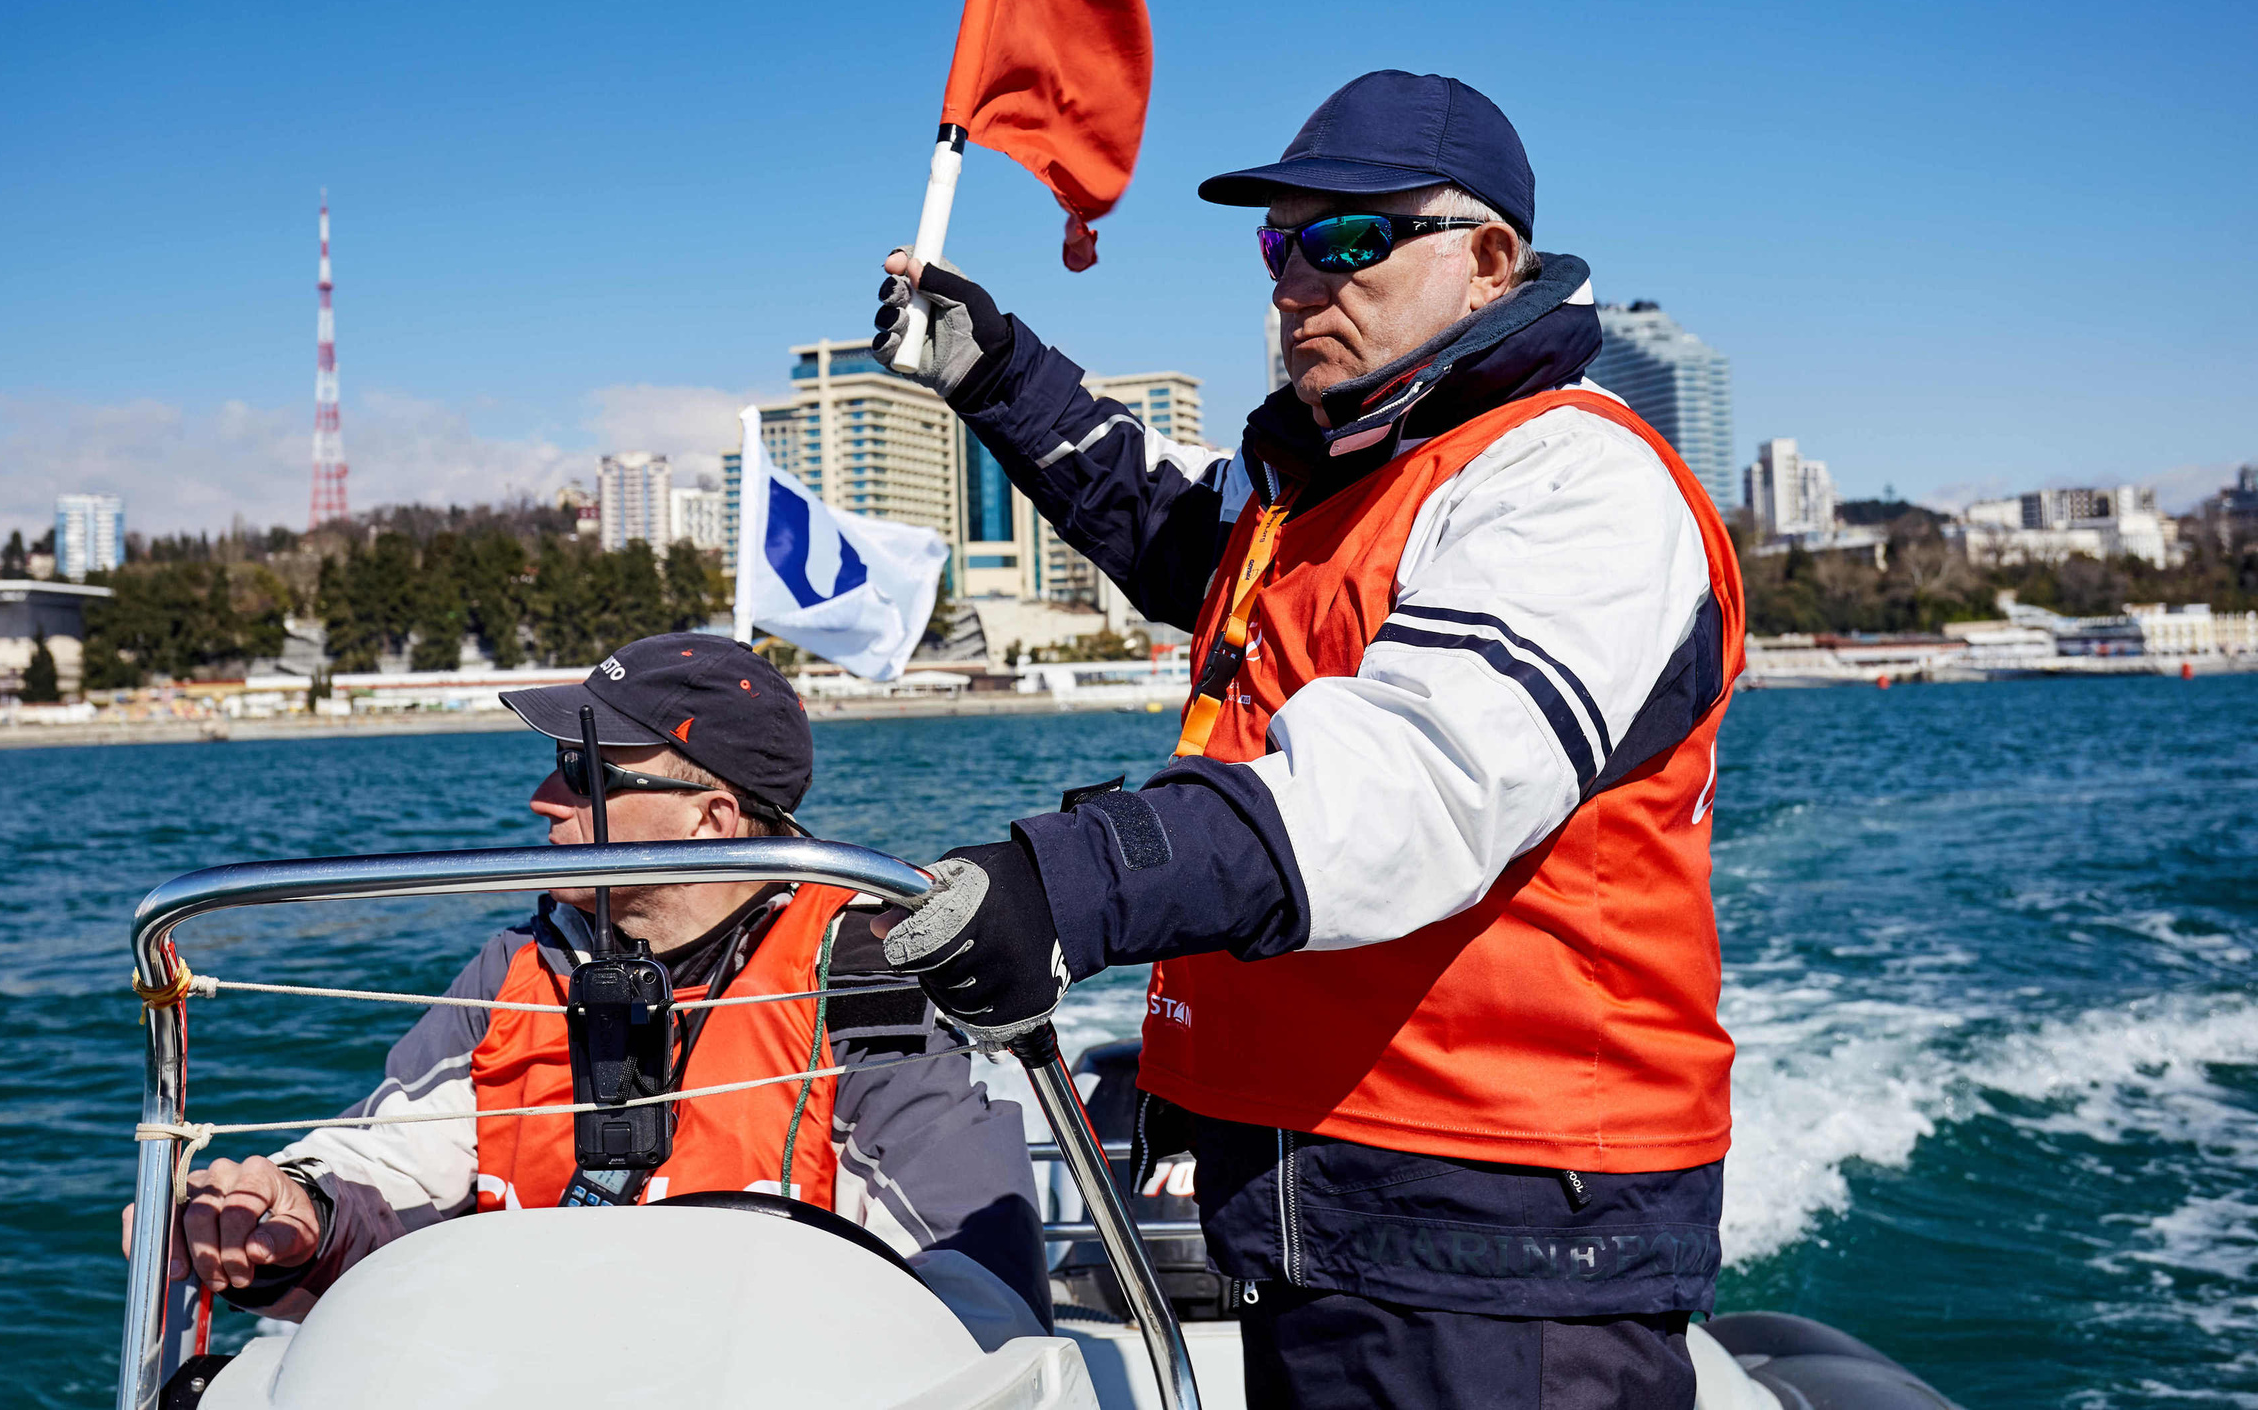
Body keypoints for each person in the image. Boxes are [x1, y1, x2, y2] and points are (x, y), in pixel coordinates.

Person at [872, 71, 1743, 1408]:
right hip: (1309, 1186)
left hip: (1501, 1213)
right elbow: (1158, 516)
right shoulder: (1326, 489)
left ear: (1489, 259)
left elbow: (1409, 786)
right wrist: (992, 366)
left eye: (1347, 240)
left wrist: (1068, 881)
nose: (1294, 280)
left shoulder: (1576, 478)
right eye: (1279, 242)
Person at [123, 633, 1050, 1328]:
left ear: (710, 817)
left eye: (584, 770)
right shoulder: (522, 966)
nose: (544, 799)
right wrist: (295, 1213)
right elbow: (389, 1171)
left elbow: (978, 1287)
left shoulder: (859, 975)